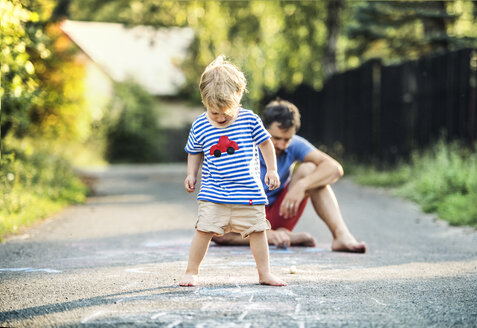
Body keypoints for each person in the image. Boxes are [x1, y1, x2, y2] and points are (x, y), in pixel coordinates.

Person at [179, 55, 286, 287]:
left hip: (248, 192)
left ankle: (264, 273)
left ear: (238, 97)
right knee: (203, 230)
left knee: (258, 231)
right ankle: (191, 271)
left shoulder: (249, 119)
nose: (219, 118)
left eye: (225, 113)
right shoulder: (199, 124)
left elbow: (266, 143)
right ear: (204, 101)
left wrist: (272, 171)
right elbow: (194, 151)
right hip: (214, 193)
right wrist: (191, 174)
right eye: (214, 112)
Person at [212, 99, 367, 253]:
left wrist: (301, 185)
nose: (281, 145)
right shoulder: (243, 145)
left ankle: (341, 236)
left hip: (278, 214)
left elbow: (334, 168)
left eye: (287, 139)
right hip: (246, 218)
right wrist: (269, 235)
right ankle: (273, 236)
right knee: (216, 231)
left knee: (310, 169)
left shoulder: (294, 144)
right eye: (276, 138)